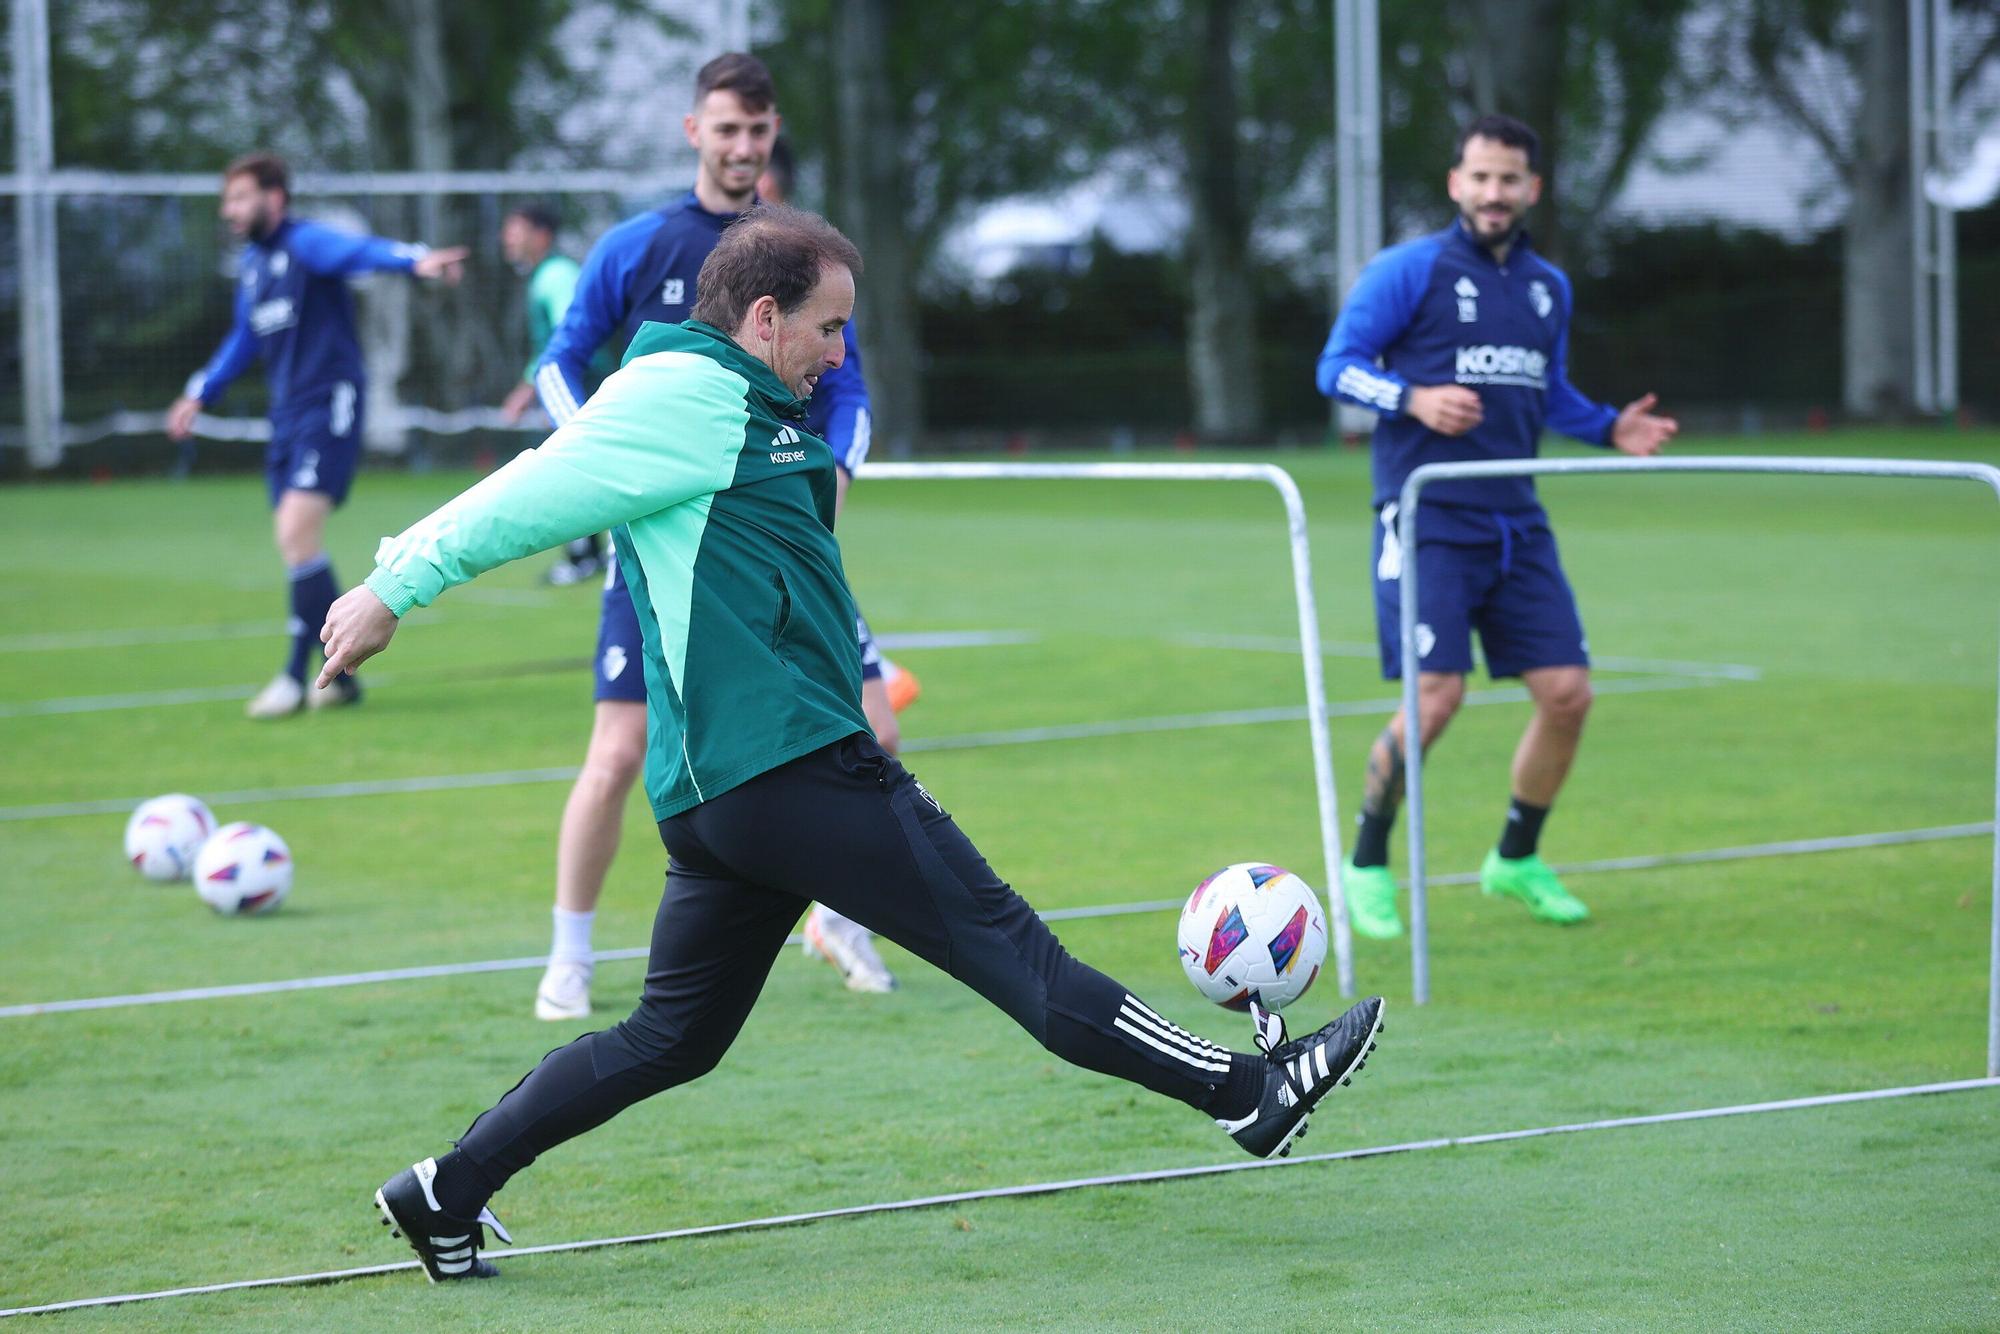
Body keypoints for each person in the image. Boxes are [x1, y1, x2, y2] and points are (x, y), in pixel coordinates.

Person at [317, 205, 1387, 1280]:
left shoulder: (745, 397)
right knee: (1017, 955)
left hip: (732, 791)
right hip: (787, 766)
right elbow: (524, 493)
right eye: (828, 328)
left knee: (670, 1037)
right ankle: (1248, 1092)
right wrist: (390, 587)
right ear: (765, 314)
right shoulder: (677, 394)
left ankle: (446, 1189)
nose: (839, 354)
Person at [528, 54, 901, 1020]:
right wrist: (600, 458)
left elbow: (847, 379)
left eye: (759, 131)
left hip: (783, 543)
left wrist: (840, 470)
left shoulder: (799, 249)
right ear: (694, 130)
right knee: (616, 754)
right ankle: (569, 956)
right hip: (663, 549)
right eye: (726, 129)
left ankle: (840, 917)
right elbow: (561, 361)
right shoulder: (638, 245)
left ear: (775, 136)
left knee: (872, 726)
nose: (743, 148)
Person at [1315, 114, 1678, 939]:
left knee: (1568, 694)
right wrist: (1412, 399)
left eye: (1509, 179)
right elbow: (1335, 368)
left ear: (1532, 190)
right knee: (1436, 698)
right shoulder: (1409, 270)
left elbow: (1547, 393)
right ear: (1455, 183)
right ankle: (1366, 863)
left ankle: (1514, 858)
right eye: (1479, 177)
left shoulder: (1549, 286)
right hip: (1428, 517)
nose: (1493, 192)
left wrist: (1610, 428)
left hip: (1518, 521)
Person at [165, 152, 467, 719]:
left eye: (239, 198)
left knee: (296, 533)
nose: (228, 210)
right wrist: (199, 392)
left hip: (328, 406)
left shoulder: (305, 245)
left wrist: (414, 260)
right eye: (226, 199)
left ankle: (292, 675)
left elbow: (359, 253)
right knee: (298, 546)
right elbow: (243, 338)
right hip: (288, 418)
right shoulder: (254, 268)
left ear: (274, 198)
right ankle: (343, 677)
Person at [495, 202, 608, 585]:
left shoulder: (556, 275)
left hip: (585, 387)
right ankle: (589, 554)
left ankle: (583, 558)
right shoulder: (548, 274)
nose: (506, 238)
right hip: (578, 386)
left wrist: (539, 390)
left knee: (571, 465)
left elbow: (569, 339)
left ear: (540, 235)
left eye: (515, 229)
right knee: (579, 466)